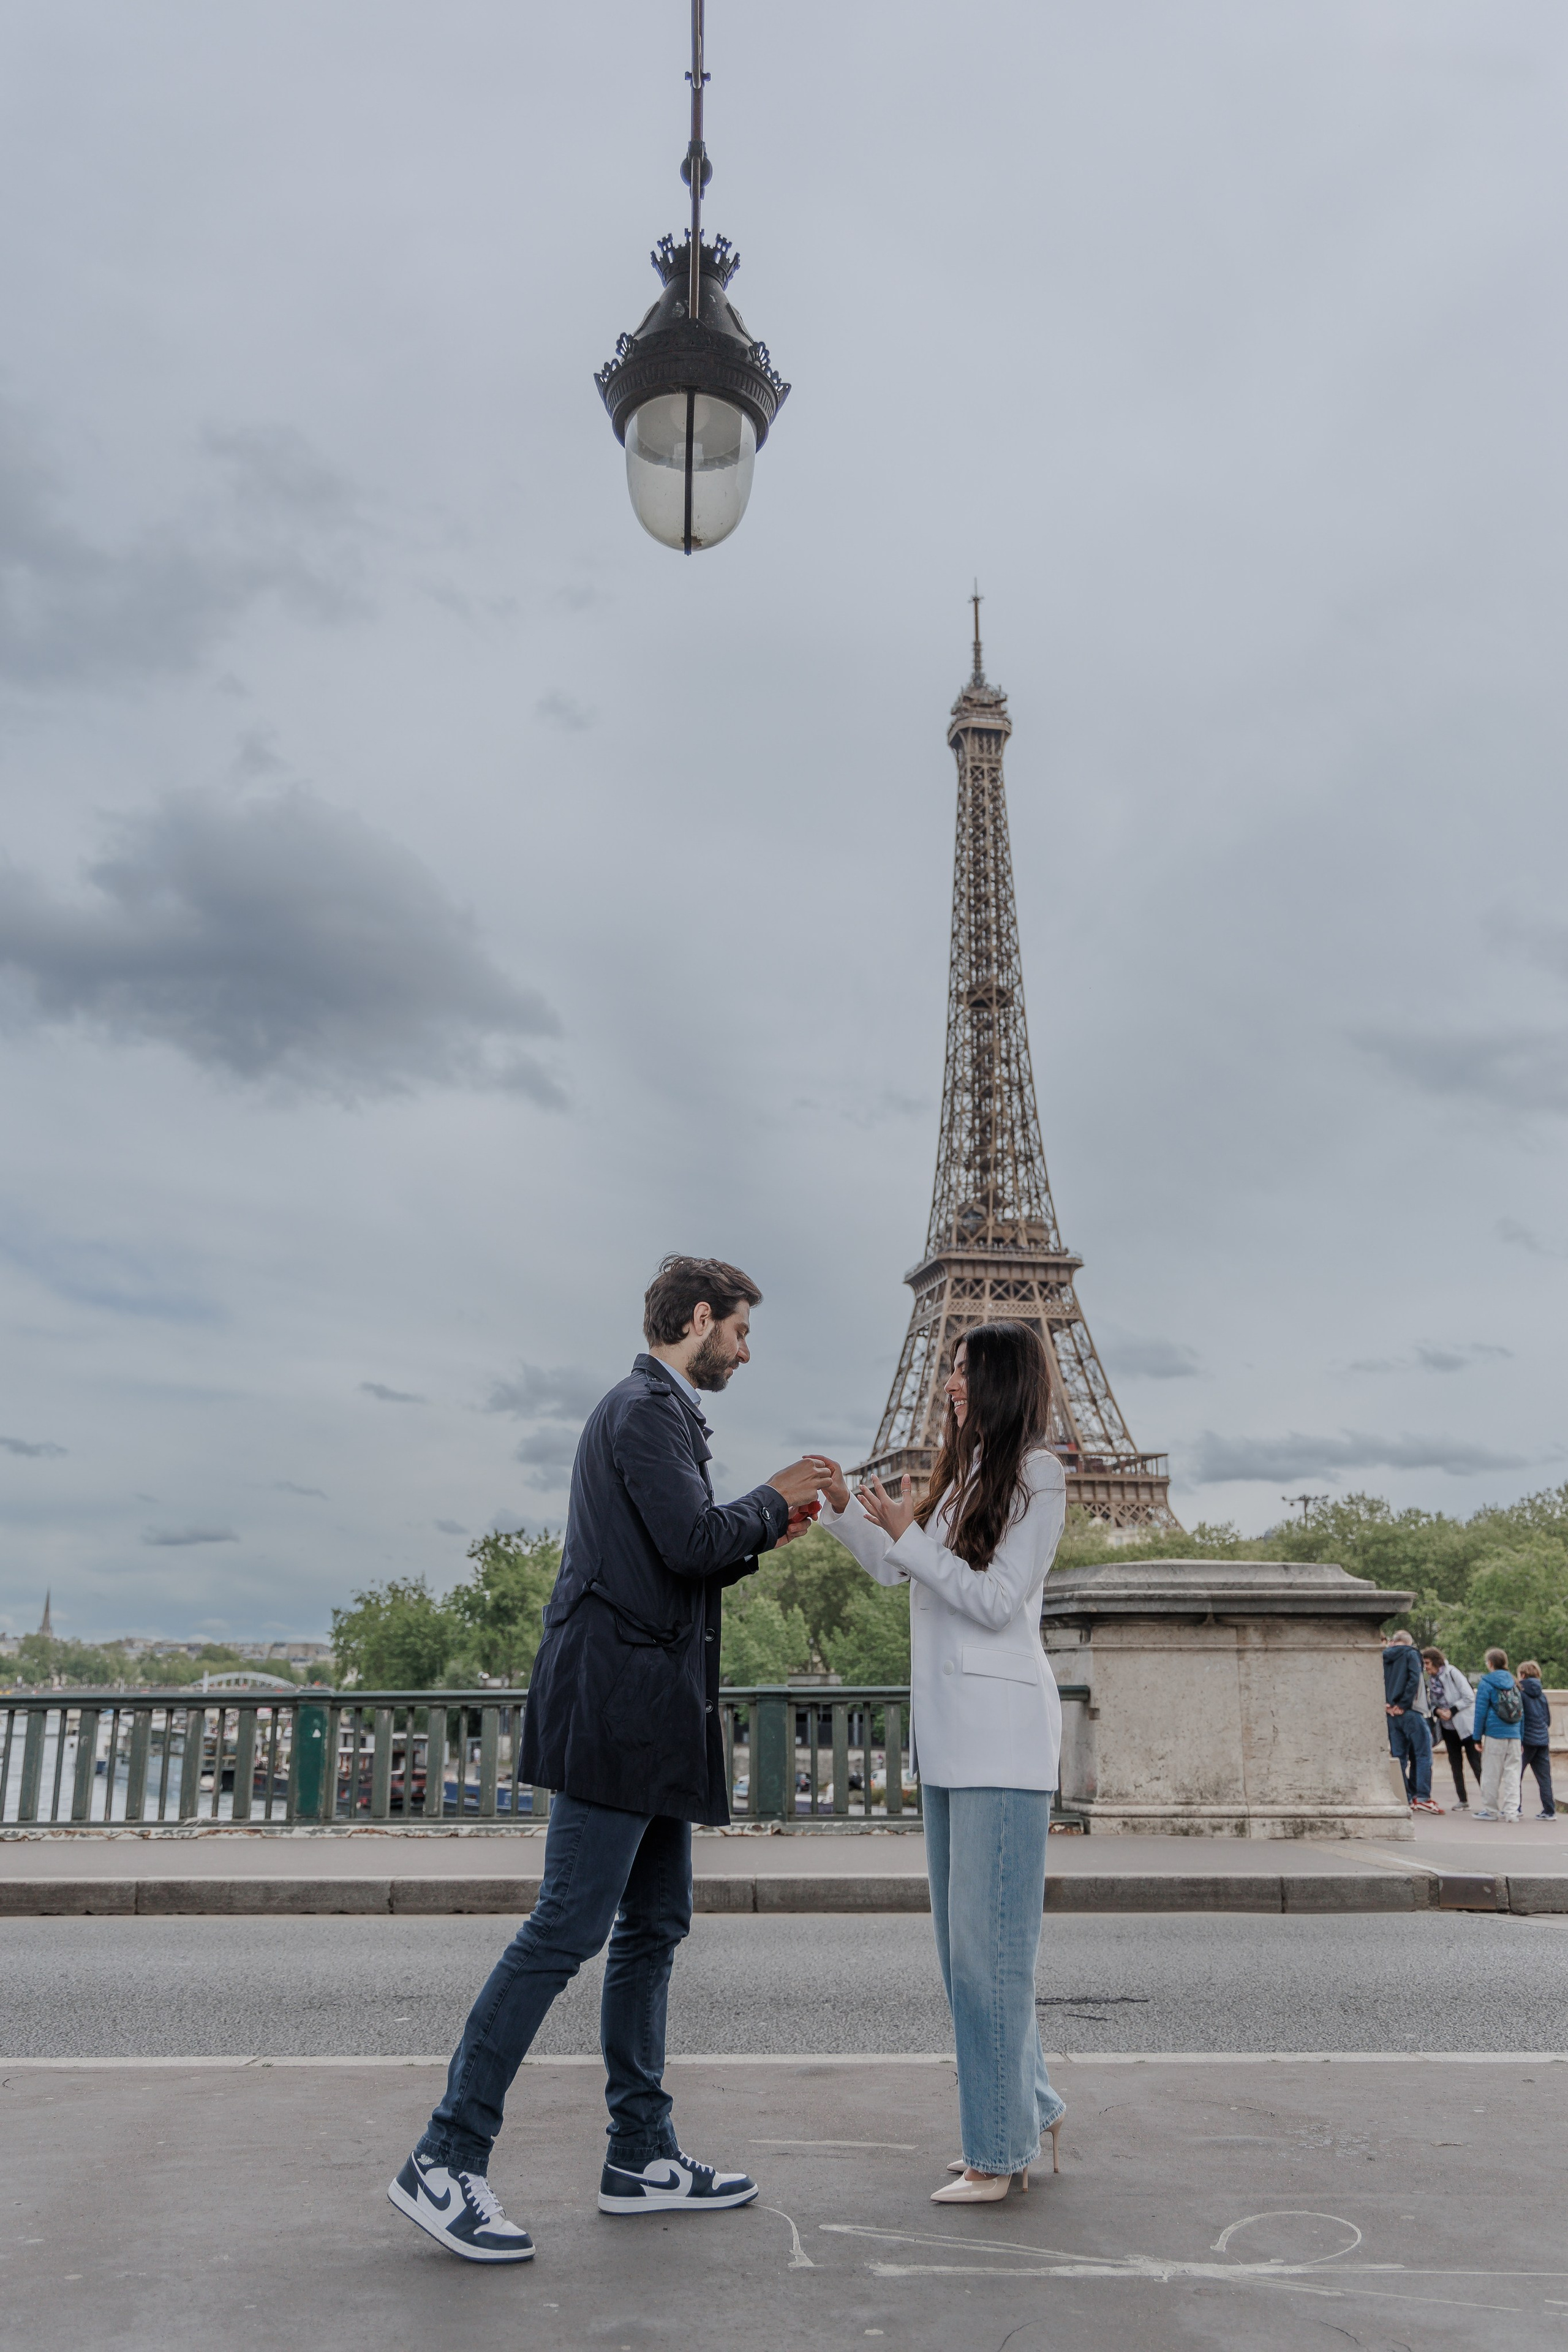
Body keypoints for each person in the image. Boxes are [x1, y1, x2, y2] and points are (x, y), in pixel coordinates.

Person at [388, 1255, 827, 2262]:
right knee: (566, 1927)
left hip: (653, 1714)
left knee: (653, 1925)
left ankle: (640, 2154)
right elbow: (687, 1539)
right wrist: (774, 1494)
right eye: (742, 1333)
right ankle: (444, 2157)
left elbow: (690, 1550)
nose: (747, 1353)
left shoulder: (661, 1415)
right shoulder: (641, 1411)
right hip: (619, 1712)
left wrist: (763, 1526)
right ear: (702, 1319)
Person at [814, 1321, 1068, 2205]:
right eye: (948, 1367)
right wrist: (850, 1512)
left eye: (963, 1369)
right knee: (970, 1951)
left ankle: (998, 2153)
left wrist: (909, 1537)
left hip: (1001, 1740)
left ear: (999, 1377)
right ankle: (1030, 2106)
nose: (948, 1381)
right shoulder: (965, 1473)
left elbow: (998, 1602)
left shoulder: (1038, 1472)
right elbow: (902, 1573)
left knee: (985, 1959)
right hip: (955, 1739)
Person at [1384, 1629, 1442, 1814]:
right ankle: (1423, 1796)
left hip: (1390, 1713)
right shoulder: (1411, 1654)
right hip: (1411, 1711)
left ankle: (1405, 1796)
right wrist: (1403, 1704)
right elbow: (1413, 1680)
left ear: (1394, 1641)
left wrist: (1388, 1704)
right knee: (1423, 1754)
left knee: (1399, 1757)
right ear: (1408, 1642)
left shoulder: (1382, 1656)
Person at [1422, 1646, 1480, 1809]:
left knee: (1476, 1764)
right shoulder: (1431, 1681)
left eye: (1427, 1663)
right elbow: (1432, 1703)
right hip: (1448, 1728)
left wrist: (1452, 1710)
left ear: (1435, 1662)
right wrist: (1438, 1711)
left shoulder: (1452, 1673)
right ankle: (1463, 1800)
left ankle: (1489, 1799)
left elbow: (1469, 1696)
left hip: (1465, 1726)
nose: (1426, 1667)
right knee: (1455, 1765)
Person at [1472, 1646, 1525, 1822]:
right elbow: (1521, 1713)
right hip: (1515, 1735)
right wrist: (1521, 1737)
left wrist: (1477, 1737)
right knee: (1513, 1775)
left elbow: (1480, 1712)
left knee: (1491, 1774)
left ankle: (1491, 1810)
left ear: (1490, 1663)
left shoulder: (1487, 1682)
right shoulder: (1514, 1682)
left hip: (1495, 1734)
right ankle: (1511, 1812)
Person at [1517, 1661, 1555, 1820]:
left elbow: (1519, 1717)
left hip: (1526, 1740)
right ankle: (1549, 1810)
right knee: (1544, 1778)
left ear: (1523, 1675)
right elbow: (1548, 1720)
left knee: (1516, 1775)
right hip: (1542, 1740)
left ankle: (1516, 1807)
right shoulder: (1542, 1695)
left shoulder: (1521, 1693)